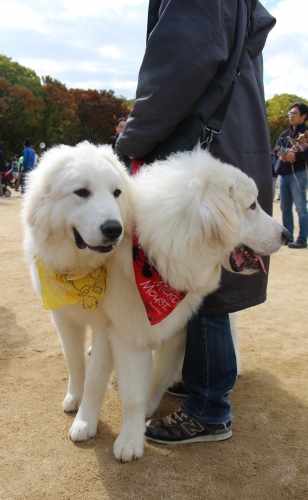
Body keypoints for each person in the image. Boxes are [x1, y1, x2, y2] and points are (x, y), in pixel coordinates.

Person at [116, 0, 276, 444]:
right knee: (207, 274)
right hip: (232, 140)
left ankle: (209, 404)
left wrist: (129, 142)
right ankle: (202, 375)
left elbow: (177, 68)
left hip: (202, 149)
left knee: (201, 268)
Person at [273, 103, 308, 249]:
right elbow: (276, 151)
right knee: (285, 207)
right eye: (290, 113)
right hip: (284, 175)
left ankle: (302, 239)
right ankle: (288, 237)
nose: (291, 116)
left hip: (298, 174)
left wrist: (296, 156)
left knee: (300, 208)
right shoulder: (284, 134)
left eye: (294, 113)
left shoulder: (306, 134)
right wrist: (279, 160)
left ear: (303, 117)